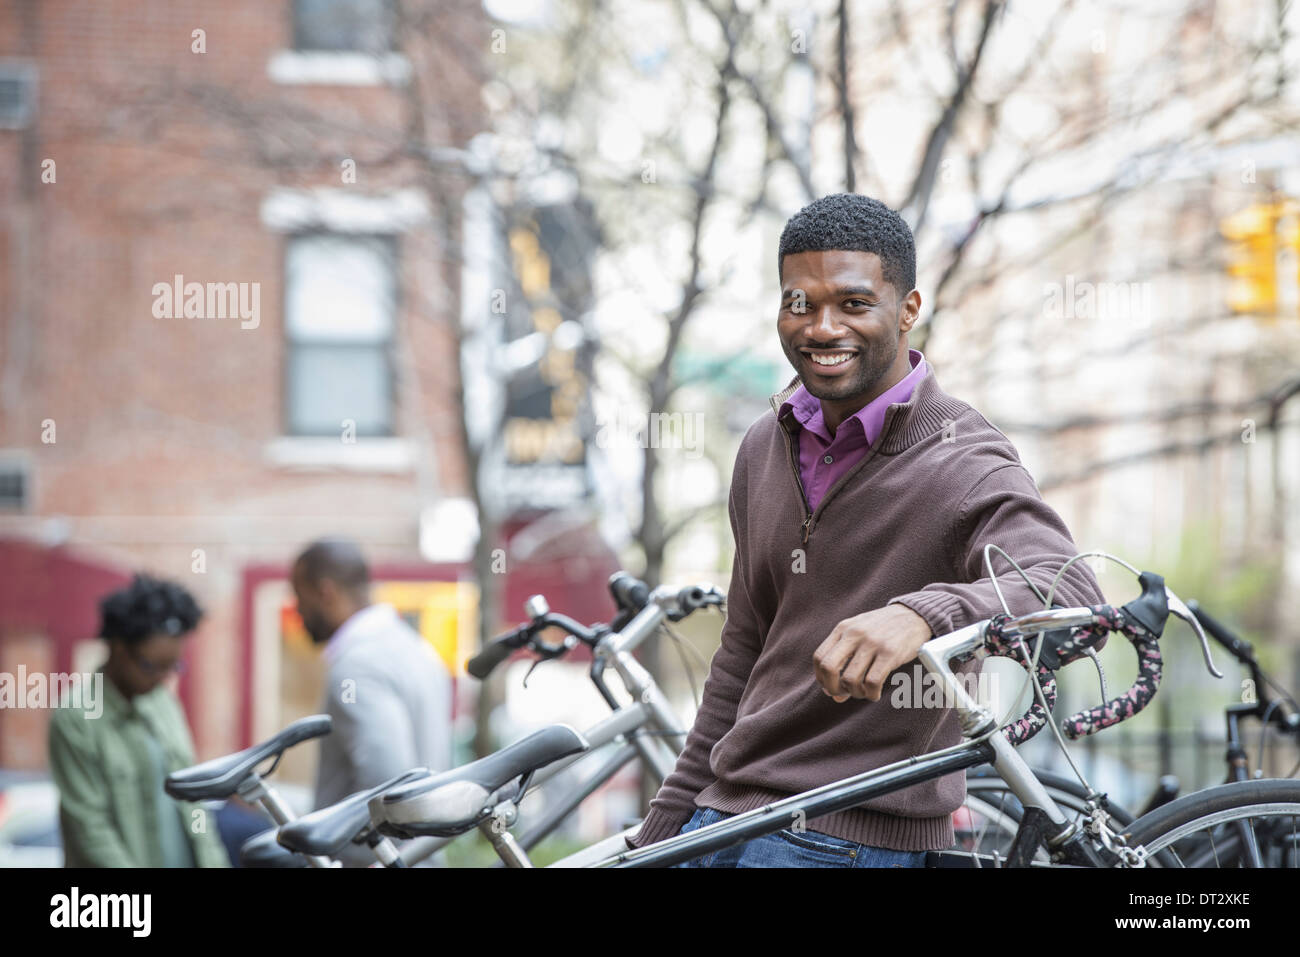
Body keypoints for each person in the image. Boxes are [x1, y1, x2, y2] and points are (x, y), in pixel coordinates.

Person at [625, 193, 1108, 867]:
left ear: (907, 310)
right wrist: (662, 829)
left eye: (853, 304)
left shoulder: (960, 454)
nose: (821, 327)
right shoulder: (764, 443)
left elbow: (1070, 586)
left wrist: (923, 614)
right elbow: (742, 651)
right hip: (722, 819)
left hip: (844, 839)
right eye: (801, 302)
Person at [48, 574, 230, 867]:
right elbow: (90, 828)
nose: (163, 678)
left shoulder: (164, 705)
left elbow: (195, 806)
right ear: (119, 649)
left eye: (172, 666)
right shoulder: (76, 718)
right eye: (152, 666)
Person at [291, 538, 453, 866]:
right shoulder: (416, 650)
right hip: (421, 855)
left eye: (299, 596)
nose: (298, 611)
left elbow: (389, 782)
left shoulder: (358, 667)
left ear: (325, 592)